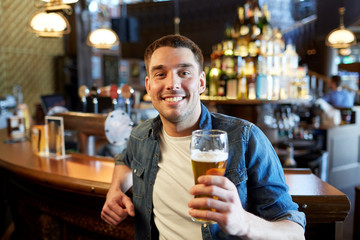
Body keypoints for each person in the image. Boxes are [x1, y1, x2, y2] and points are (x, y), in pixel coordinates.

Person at [101, 34, 306, 240]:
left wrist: (243, 223)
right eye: (160, 74)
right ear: (148, 86)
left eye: (184, 72)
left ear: (201, 82)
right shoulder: (141, 135)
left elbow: (295, 232)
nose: (173, 84)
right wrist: (115, 190)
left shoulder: (245, 138)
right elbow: (124, 160)